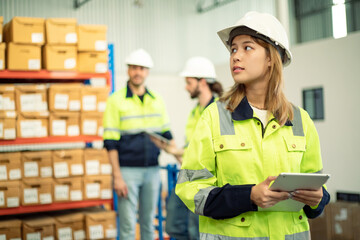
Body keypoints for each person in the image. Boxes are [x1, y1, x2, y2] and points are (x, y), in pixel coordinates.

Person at [175, 11, 330, 239]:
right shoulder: (214, 118)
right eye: (233, 49)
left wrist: (319, 200)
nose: (236, 56)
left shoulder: (301, 120)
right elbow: (190, 191)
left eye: (247, 48)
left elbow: (314, 187)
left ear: (271, 58)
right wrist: (248, 196)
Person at [103, 48, 178, 240]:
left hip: (152, 171)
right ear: (128, 70)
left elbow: (167, 135)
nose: (138, 72)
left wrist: (182, 159)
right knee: (128, 226)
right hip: (127, 172)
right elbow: (110, 143)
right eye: (134, 68)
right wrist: (117, 177)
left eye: (142, 68)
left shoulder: (157, 100)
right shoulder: (115, 101)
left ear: (147, 72)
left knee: (148, 225)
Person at [155, 56, 223, 240]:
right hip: (187, 175)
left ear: (202, 82)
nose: (186, 87)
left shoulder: (219, 111)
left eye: (189, 82)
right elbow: (190, 151)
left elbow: (211, 151)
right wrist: (173, 151)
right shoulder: (195, 112)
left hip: (206, 181)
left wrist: (175, 151)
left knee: (196, 230)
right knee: (174, 226)